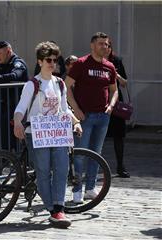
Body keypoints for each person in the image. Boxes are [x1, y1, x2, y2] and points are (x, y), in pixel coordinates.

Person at [14, 41, 82, 227]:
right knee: (43, 172)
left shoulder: (59, 83)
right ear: (40, 61)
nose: (52, 63)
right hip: (36, 133)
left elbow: (63, 110)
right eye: (48, 60)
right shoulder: (32, 84)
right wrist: (18, 121)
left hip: (57, 133)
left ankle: (58, 209)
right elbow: (20, 108)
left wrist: (75, 123)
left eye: (55, 60)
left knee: (61, 169)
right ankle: (52, 209)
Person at [65, 32, 119, 203]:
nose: (105, 47)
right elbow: (65, 87)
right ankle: (77, 190)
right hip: (84, 116)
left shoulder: (109, 66)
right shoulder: (81, 63)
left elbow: (114, 89)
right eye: (101, 43)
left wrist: (111, 106)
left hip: (103, 117)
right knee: (80, 154)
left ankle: (90, 188)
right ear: (92, 45)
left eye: (107, 44)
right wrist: (75, 110)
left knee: (96, 153)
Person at [104, 40, 130, 178]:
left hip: (116, 101)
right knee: (98, 136)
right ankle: (95, 167)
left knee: (119, 136)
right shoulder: (94, 61)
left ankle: (120, 166)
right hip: (100, 102)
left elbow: (124, 83)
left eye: (108, 46)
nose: (106, 48)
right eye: (103, 45)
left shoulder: (117, 61)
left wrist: (115, 73)